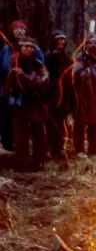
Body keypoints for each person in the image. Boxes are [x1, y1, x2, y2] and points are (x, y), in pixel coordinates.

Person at [5, 37, 50, 170]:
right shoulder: (13, 62)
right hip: (19, 104)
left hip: (35, 103)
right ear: (20, 47)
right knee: (20, 135)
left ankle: (38, 162)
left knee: (38, 134)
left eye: (31, 47)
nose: (29, 49)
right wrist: (25, 79)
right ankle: (21, 163)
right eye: (25, 46)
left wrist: (26, 78)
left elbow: (45, 80)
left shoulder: (38, 63)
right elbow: (12, 81)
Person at [0, 20, 44, 151]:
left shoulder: (33, 47)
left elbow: (41, 66)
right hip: (9, 90)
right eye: (16, 28)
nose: (19, 30)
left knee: (30, 121)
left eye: (22, 28)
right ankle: (9, 146)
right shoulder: (6, 49)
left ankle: (29, 150)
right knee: (7, 118)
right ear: (12, 31)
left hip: (29, 91)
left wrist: (28, 77)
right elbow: (2, 67)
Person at [73, 34, 96, 157]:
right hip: (84, 97)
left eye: (95, 43)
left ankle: (94, 149)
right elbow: (76, 74)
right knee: (80, 123)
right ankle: (79, 149)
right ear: (86, 45)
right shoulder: (81, 57)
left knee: (95, 123)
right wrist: (88, 72)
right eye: (90, 43)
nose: (93, 45)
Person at [45, 30, 75, 159]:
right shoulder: (48, 57)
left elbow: (69, 77)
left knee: (63, 123)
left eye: (63, 40)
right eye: (58, 39)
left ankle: (62, 150)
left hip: (65, 95)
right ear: (53, 41)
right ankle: (52, 151)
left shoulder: (67, 58)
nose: (61, 42)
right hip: (52, 95)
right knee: (52, 124)